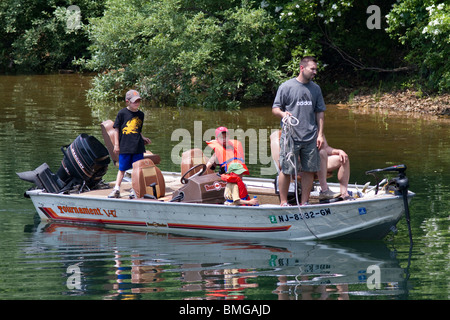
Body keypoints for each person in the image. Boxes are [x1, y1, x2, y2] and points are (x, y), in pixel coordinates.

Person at [272, 56, 326, 206]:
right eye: (312, 69)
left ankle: (304, 202)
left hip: (310, 137)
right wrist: (283, 114)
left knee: (309, 170)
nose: (315, 72)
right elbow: (275, 109)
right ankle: (283, 202)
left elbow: (320, 112)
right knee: (286, 170)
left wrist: (320, 134)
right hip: (291, 137)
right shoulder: (286, 86)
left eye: (316, 69)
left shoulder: (316, 89)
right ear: (302, 68)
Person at [108, 89, 151, 198]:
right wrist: (117, 145)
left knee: (137, 170)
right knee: (122, 169)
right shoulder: (122, 113)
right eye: (134, 101)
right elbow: (116, 129)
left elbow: (138, 129)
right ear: (127, 101)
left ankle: (135, 189)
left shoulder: (141, 114)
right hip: (125, 147)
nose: (136, 103)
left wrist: (143, 137)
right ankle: (116, 189)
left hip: (138, 147)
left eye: (138, 101)